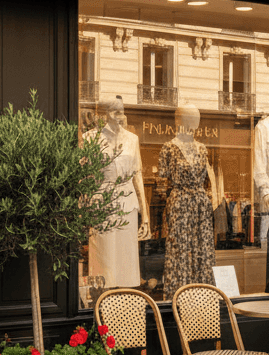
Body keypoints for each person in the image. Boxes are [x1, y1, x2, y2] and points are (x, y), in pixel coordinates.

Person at [86, 96, 149, 288]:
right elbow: (86, 176)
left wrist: (145, 216)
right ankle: (101, 302)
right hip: (101, 201)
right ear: (104, 114)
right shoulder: (90, 138)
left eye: (122, 111)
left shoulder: (132, 139)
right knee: (103, 257)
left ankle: (125, 303)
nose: (120, 116)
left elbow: (137, 176)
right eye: (115, 111)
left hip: (127, 202)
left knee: (126, 258)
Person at [158, 104, 216, 296]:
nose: (195, 124)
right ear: (179, 121)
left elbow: (207, 178)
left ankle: (203, 293)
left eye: (197, 120)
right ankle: (178, 292)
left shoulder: (202, 148)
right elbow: (161, 181)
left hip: (200, 202)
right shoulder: (168, 148)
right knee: (180, 247)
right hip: (180, 201)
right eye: (191, 119)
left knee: (203, 247)